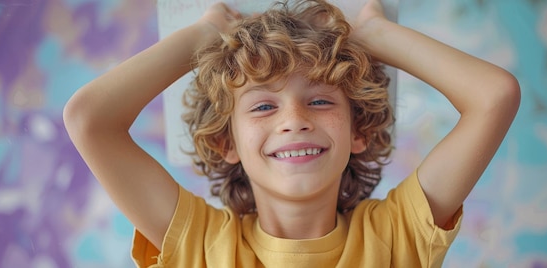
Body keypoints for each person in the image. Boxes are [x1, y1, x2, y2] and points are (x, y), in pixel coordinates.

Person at [63, 0, 520, 267]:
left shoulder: (397, 236)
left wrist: (375, 35)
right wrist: (203, 37)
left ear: (359, 131)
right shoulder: (199, 246)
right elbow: (89, 120)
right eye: (263, 105)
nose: (294, 119)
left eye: (320, 100)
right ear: (226, 143)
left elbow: (494, 96)